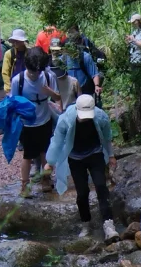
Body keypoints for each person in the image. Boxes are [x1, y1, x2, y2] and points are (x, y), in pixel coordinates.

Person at [46, 91, 118, 239]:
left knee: (101, 186)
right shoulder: (65, 119)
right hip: (75, 158)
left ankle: (109, 225)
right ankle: (86, 223)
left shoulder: (100, 117)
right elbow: (57, 141)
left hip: (95, 153)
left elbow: (106, 138)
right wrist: (50, 162)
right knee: (82, 192)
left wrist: (111, 155)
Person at [10, 45, 59, 195]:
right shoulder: (18, 80)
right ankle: (24, 185)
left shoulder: (50, 77)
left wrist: (49, 92)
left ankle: (46, 179)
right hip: (27, 124)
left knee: (46, 152)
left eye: (38, 71)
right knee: (28, 155)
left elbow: (57, 99)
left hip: (45, 120)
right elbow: (14, 103)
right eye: (32, 72)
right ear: (26, 66)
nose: (35, 75)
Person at [64, 27, 101, 101]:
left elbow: (94, 74)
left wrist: (97, 86)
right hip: (69, 92)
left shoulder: (85, 57)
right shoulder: (64, 58)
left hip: (85, 90)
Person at [49, 37, 80, 111]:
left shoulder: (65, 58)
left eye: (57, 50)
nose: (55, 52)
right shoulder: (48, 60)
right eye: (53, 50)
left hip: (66, 82)